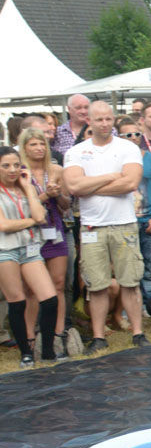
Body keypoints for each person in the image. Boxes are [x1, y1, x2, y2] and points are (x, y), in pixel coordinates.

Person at [62, 101, 150, 353]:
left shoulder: (127, 148)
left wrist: (90, 185)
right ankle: (99, 337)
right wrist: (112, 176)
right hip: (92, 227)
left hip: (124, 224)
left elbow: (130, 183)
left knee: (130, 281)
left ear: (114, 120)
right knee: (96, 284)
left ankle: (138, 332)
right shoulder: (76, 152)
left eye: (108, 119)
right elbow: (74, 188)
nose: (104, 124)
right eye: (99, 120)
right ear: (89, 120)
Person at [1, 145, 63, 366]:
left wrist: (28, 187)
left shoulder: (23, 188)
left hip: (30, 248)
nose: (12, 170)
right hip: (5, 250)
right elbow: (4, 225)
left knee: (50, 299)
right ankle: (25, 352)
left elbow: (41, 214)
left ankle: (47, 351)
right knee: (16, 302)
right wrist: (30, 222)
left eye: (16, 165)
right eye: (6, 166)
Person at [17, 128, 71, 356]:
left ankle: (58, 334)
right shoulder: (19, 173)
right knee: (31, 289)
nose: (39, 148)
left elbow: (67, 204)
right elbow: (21, 207)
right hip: (30, 231)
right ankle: (30, 335)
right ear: (24, 148)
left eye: (41, 144)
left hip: (55, 229)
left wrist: (57, 194)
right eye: (33, 145)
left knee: (58, 284)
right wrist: (45, 195)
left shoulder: (56, 170)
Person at [118, 117, 151, 301]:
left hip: (149, 221)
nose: (133, 138)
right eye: (128, 134)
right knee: (127, 267)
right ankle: (131, 305)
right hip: (123, 222)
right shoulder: (114, 161)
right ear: (119, 137)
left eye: (137, 134)